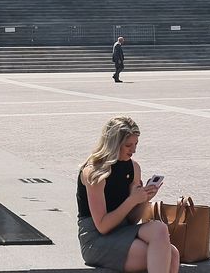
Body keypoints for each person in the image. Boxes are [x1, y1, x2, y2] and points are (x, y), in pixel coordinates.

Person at [76, 116, 179, 273]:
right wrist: (132, 200)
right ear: (113, 144)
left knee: (162, 233)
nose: (134, 150)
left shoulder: (133, 168)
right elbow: (103, 226)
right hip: (95, 239)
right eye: (128, 145)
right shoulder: (95, 173)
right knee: (166, 255)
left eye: (136, 144)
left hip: (123, 230)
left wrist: (143, 200)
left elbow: (131, 220)